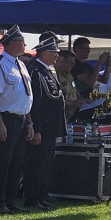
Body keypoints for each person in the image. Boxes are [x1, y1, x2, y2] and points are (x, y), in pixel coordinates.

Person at [0, 25, 33, 214]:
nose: (25, 45)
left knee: (16, 163)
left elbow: (26, 95)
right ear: (12, 43)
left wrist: (29, 121)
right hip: (6, 118)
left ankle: (11, 201)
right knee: (2, 163)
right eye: (22, 42)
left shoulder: (20, 64)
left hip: (21, 119)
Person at [24, 35, 66, 210]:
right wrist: (37, 129)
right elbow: (36, 103)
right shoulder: (35, 70)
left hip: (50, 126)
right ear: (44, 53)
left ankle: (42, 194)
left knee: (46, 163)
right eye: (54, 52)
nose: (57, 55)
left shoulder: (47, 70)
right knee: (36, 164)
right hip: (42, 126)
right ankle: (33, 198)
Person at [55, 49, 84, 120]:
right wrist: (74, 104)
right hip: (62, 116)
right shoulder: (55, 76)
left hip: (73, 115)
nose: (72, 66)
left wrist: (82, 99)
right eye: (70, 63)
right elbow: (57, 100)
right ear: (62, 61)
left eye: (73, 63)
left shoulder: (69, 75)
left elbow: (74, 89)